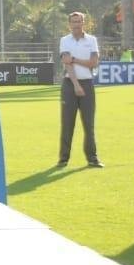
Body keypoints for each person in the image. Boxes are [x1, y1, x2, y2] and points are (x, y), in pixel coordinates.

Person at [58, 11, 103, 168]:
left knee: (89, 124)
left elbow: (93, 62)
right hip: (70, 85)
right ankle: (63, 159)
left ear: (84, 22)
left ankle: (93, 158)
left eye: (79, 21)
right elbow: (66, 62)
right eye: (74, 21)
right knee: (67, 123)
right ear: (69, 24)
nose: (76, 24)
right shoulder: (65, 40)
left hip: (88, 84)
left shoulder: (91, 40)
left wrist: (75, 59)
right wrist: (76, 85)